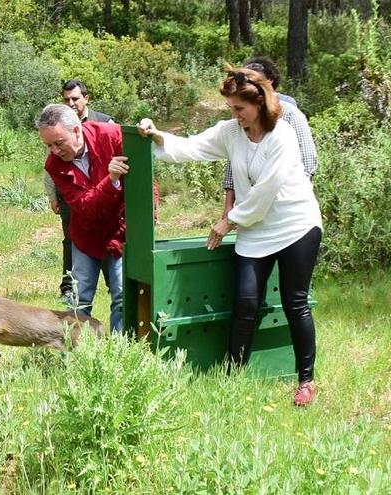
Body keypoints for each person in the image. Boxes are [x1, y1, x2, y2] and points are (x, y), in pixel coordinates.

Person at [138, 68, 323, 406]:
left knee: (294, 302)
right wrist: (156, 136)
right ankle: (233, 376)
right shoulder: (231, 132)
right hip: (256, 230)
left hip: (296, 225)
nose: (234, 115)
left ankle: (306, 381)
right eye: (231, 109)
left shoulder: (282, 136)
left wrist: (228, 221)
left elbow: (266, 190)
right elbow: (193, 147)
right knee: (245, 302)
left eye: (239, 108)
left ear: (259, 103)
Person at [37, 104, 129, 333]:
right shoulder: (53, 164)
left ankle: (120, 351)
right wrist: (111, 180)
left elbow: (147, 178)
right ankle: (76, 352)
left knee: (122, 296)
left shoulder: (111, 135)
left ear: (77, 130)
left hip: (120, 231)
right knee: (79, 299)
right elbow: (85, 206)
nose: (55, 151)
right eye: (48, 145)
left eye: (59, 143)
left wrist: (149, 217)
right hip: (86, 235)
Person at [221, 58, 318, 223]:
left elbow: (307, 164)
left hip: (284, 213)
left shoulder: (290, 114)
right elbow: (234, 163)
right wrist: (229, 206)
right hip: (249, 211)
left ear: (268, 83)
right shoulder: (242, 118)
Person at [43, 80, 112, 304]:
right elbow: (50, 164)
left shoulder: (104, 123)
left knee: (109, 247)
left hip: (108, 204)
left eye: (75, 98)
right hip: (73, 198)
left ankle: (112, 285)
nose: (71, 103)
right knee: (73, 241)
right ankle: (69, 288)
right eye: (66, 99)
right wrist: (52, 196)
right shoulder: (53, 126)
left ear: (86, 98)